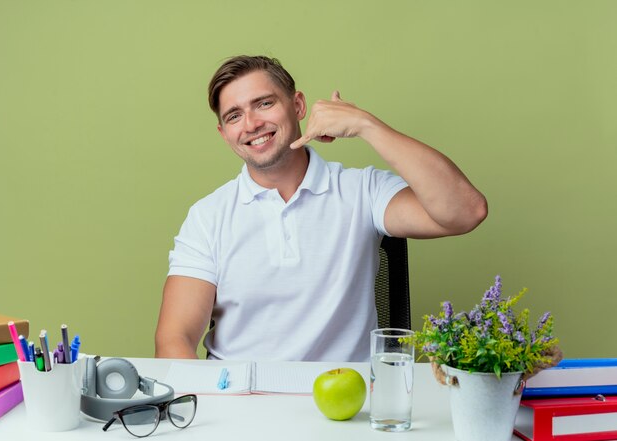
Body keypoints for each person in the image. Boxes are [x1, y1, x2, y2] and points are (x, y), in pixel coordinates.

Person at [155, 55, 487, 362]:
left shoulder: (363, 191)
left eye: (264, 103)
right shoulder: (208, 216)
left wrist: (366, 125)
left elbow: (466, 211)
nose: (251, 123)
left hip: (346, 406)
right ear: (224, 133)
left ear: (297, 105)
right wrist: (210, 410)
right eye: (234, 116)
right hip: (239, 400)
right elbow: (175, 338)